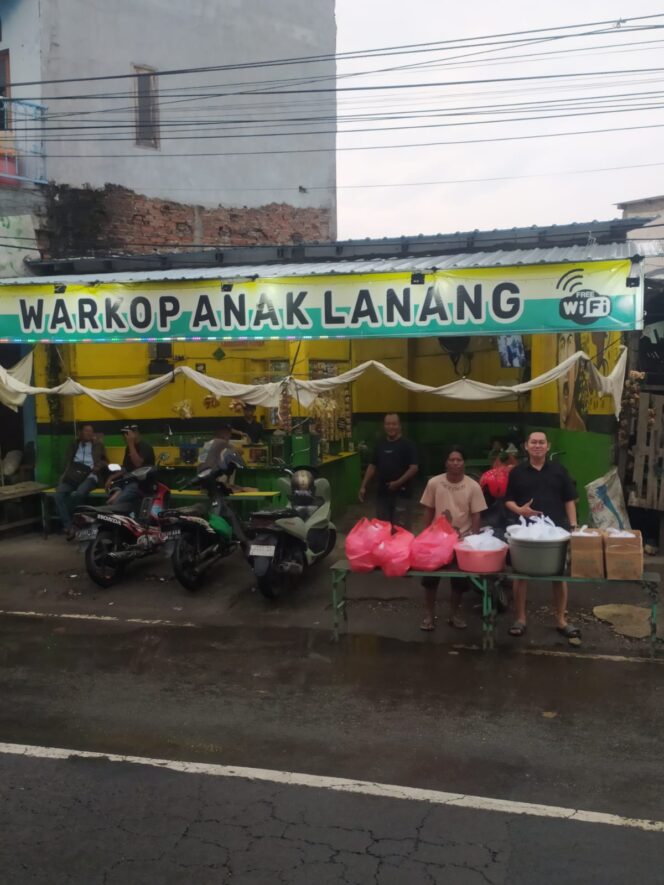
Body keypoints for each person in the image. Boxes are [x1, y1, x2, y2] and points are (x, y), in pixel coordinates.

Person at [504, 429, 580, 641]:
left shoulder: (559, 471)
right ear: (526, 447)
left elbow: (569, 499)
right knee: (520, 575)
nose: (537, 446)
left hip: (556, 532)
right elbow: (507, 500)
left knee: (558, 575)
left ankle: (561, 620)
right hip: (525, 533)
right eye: (533, 442)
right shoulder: (517, 472)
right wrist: (520, 511)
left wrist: (573, 525)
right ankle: (520, 619)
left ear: (548, 447)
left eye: (541, 442)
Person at [419, 446, 487, 630]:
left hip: (461, 541)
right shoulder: (434, 483)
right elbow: (428, 510)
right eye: (452, 460)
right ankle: (429, 616)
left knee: (459, 581)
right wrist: (424, 536)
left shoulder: (473, 486)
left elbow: (476, 515)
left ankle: (454, 615)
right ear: (446, 463)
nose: (456, 463)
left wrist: (473, 539)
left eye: (459, 460)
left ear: (464, 463)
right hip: (436, 541)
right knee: (430, 580)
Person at [358, 413, 418, 528]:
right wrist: (363, 486)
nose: (391, 427)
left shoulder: (408, 445)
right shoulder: (380, 444)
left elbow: (413, 468)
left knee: (401, 530)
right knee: (382, 528)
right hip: (383, 494)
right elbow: (372, 466)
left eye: (394, 424)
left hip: (402, 494)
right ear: (384, 426)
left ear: (400, 426)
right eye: (388, 424)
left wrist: (398, 483)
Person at [54, 424, 108, 538]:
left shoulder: (98, 444)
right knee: (58, 495)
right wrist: (63, 476)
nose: (89, 433)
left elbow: (105, 461)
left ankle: (76, 524)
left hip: (90, 476)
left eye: (91, 431)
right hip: (74, 475)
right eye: (86, 431)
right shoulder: (74, 444)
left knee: (79, 493)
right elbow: (68, 462)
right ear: (80, 433)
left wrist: (98, 466)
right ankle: (68, 525)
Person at [108, 425, 156, 510]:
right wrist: (112, 477)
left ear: (136, 433)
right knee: (111, 500)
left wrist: (130, 443)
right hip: (127, 481)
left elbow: (138, 463)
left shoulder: (145, 447)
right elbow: (126, 468)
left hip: (140, 484)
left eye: (127, 434)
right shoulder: (128, 448)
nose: (125, 437)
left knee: (115, 504)